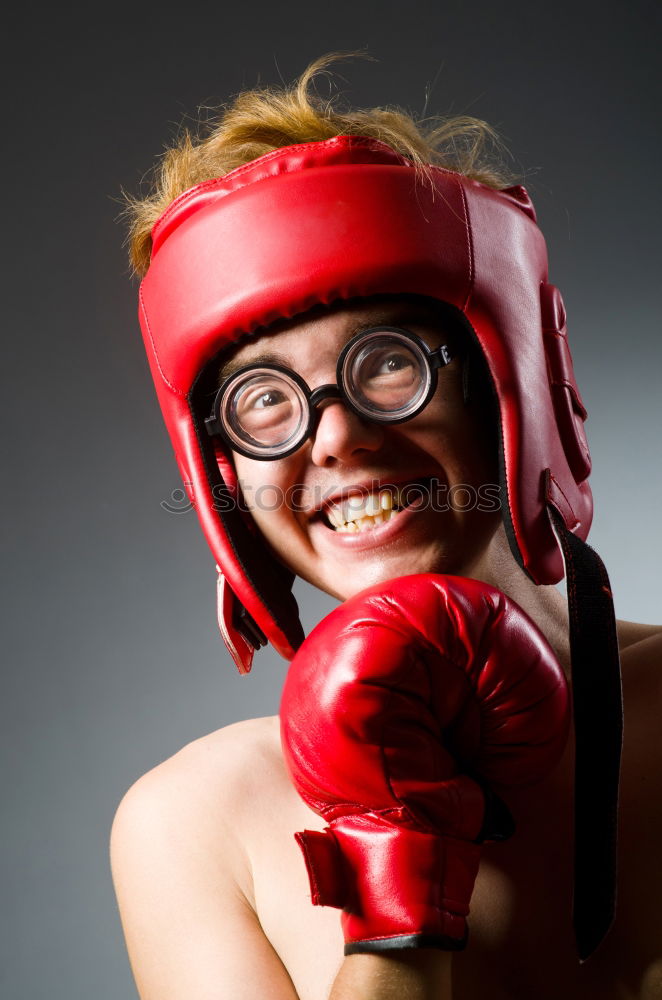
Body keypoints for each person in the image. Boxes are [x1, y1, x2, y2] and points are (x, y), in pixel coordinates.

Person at [110, 56, 662, 999]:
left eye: (390, 364)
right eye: (262, 403)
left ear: (512, 379)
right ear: (222, 474)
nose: (337, 439)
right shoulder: (199, 825)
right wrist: (392, 885)